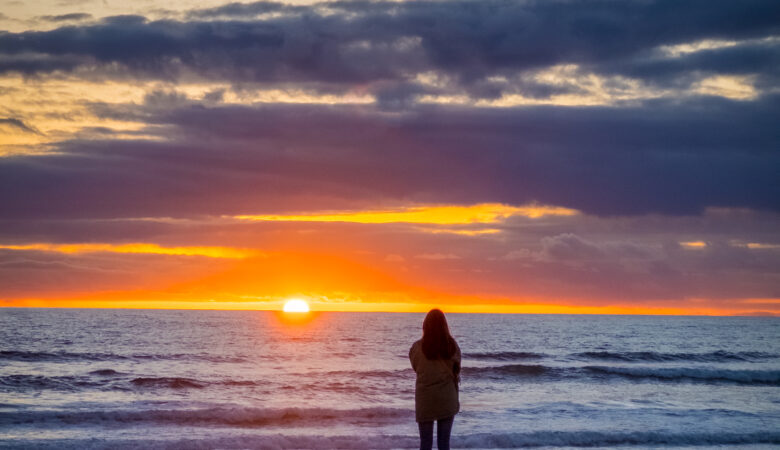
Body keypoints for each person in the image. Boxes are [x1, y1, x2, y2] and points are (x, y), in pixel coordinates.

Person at [409, 309, 461, 450]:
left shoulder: (416, 347)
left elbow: (416, 368)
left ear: (425, 325)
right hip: (447, 398)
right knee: (444, 444)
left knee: (425, 444)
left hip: (425, 400)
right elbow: (457, 369)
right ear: (445, 325)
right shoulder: (452, 346)